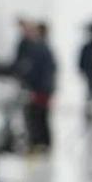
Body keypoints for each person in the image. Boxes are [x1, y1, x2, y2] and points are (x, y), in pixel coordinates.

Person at [21, 21, 56, 153]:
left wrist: (37, 87)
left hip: (41, 90)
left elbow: (39, 71)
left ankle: (41, 143)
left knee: (39, 116)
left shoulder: (40, 49)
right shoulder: (43, 48)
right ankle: (41, 143)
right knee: (39, 116)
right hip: (42, 89)